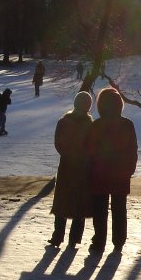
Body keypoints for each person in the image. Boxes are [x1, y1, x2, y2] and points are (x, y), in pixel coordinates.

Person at [87, 87, 138, 253]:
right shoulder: (127, 124)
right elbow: (133, 149)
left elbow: (90, 150)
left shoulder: (97, 125)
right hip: (120, 173)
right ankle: (119, 241)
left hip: (100, 173)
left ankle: (99, 241)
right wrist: (129, 169)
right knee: (119, 208)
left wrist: (91, 169)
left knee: (100, 209)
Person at [49, 91, 94, 248]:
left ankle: (57, 236)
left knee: (62, 200)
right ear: (88, 106)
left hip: (67, 165)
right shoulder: (90, 124)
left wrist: (68, 154)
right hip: (83, 167)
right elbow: (92, 147)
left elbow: (58, 143)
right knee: (79, 203)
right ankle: (74, 238)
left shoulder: (64, 122)